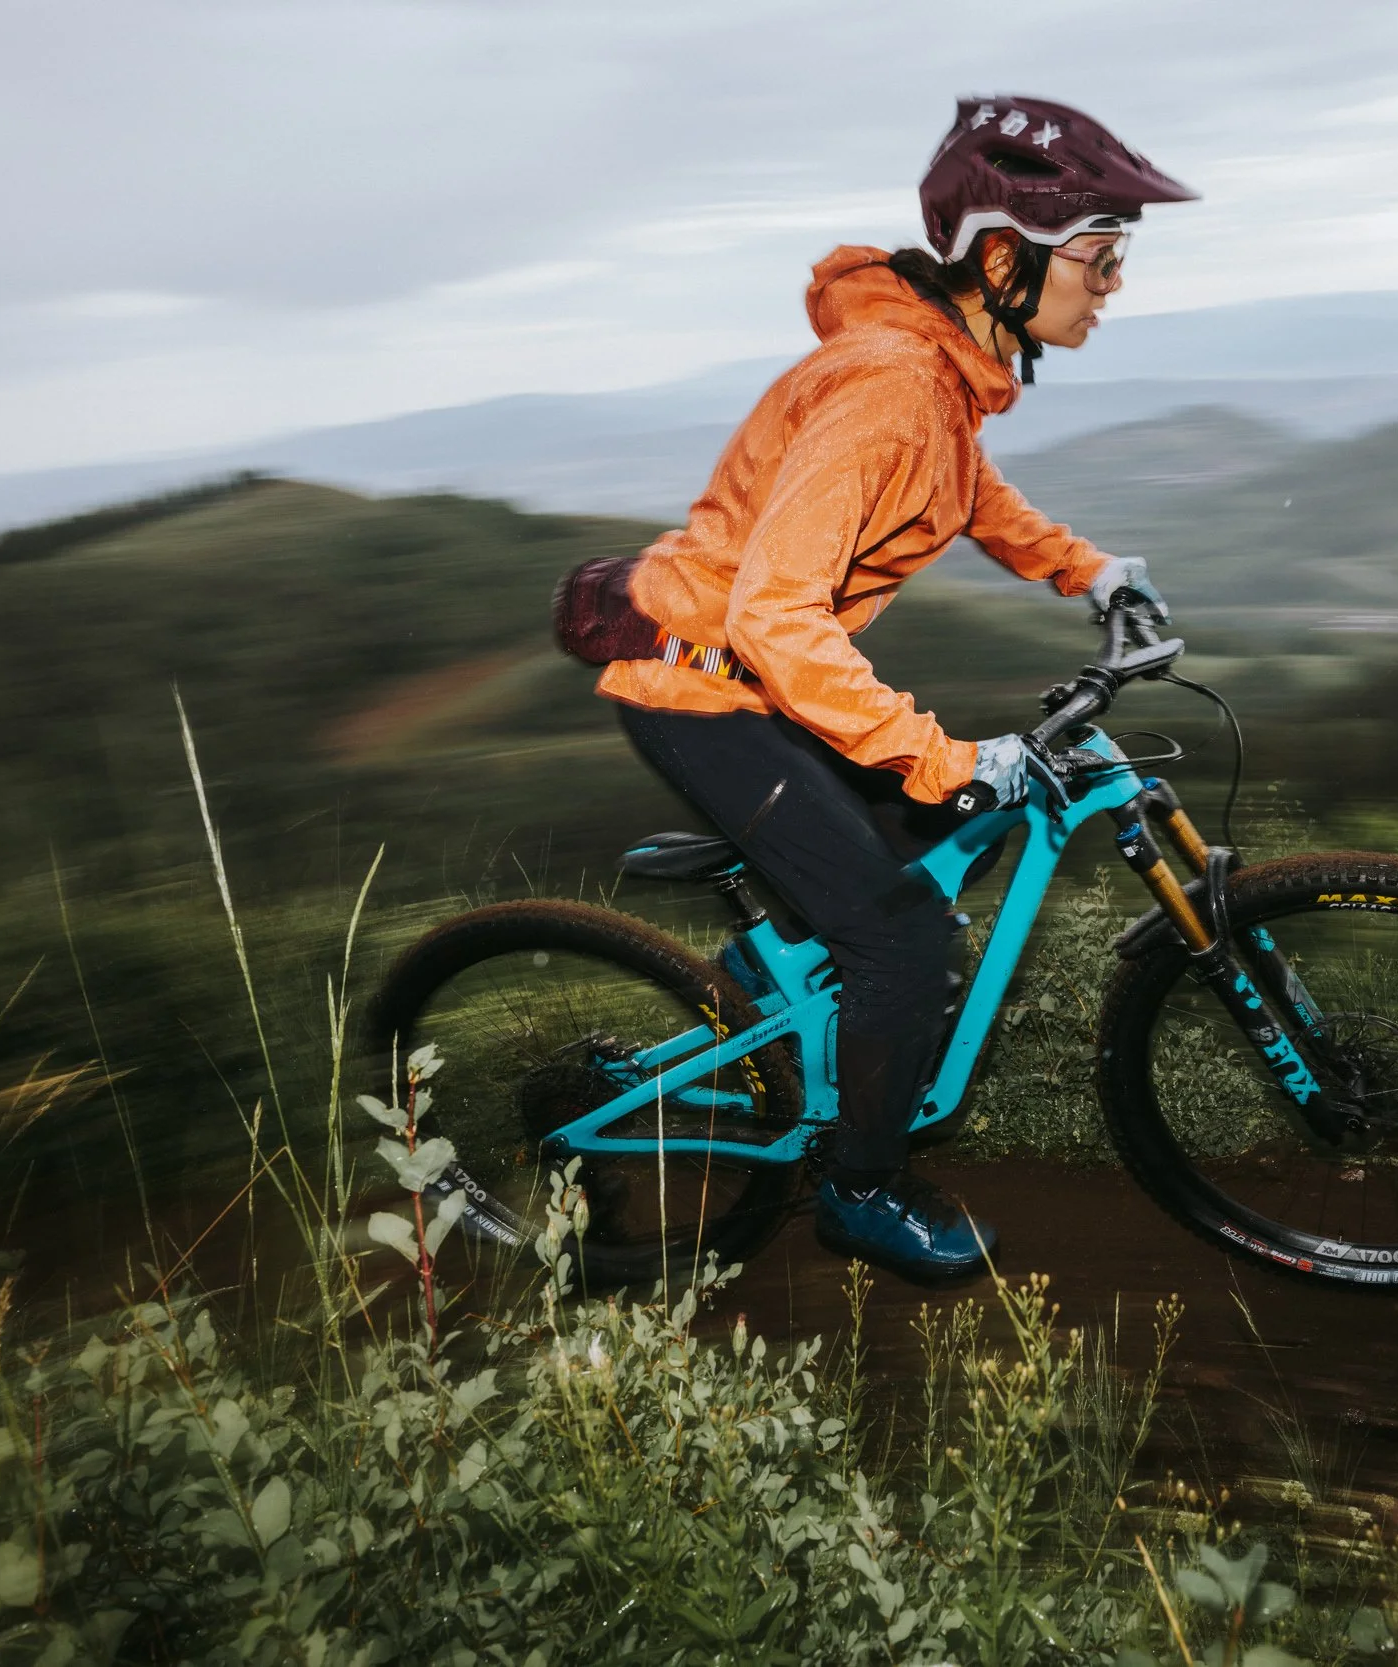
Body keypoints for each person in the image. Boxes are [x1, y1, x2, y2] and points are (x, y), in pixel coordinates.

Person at [590, 96, 1195, 1284]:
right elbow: (775, 613)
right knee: (907, 937)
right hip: (704, 690)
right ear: (1005, 259)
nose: (1114, 282)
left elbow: (974, 497)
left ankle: (767, 1021)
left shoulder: (939, 374)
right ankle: (858, 1189)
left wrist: (1089, 568)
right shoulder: (891, 387)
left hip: (754, 683)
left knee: (909, 877)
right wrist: (946, 754)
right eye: (1101, 255)